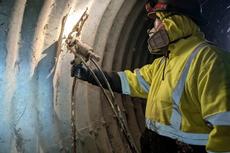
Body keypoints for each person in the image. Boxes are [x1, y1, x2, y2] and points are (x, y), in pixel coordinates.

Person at [70, 0, 230, 152]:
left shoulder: (210, 60)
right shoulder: (163, 63)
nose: (152, 29)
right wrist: (89, 74)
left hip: (185, 148)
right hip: (156, 143)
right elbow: (131, 81)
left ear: (176, 22)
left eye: (158, 20)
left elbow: (225, 124)